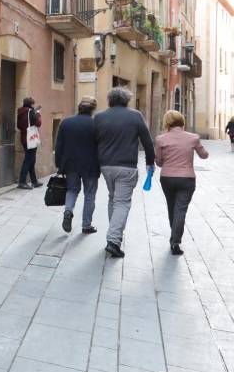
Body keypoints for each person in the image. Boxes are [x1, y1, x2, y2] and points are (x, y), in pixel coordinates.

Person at [94, 87, 155, 258]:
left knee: (113, 199)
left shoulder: (99, 117)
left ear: (110, 100)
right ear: (126, 100)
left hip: (106, 166)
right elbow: (147, 142)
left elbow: (94, 141)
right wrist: (150, 162)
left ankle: (114, 234)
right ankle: (113, 240)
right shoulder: (135, 115)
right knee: (122, 202)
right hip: (127, 167)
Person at [155, 110, 209, 255]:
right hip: (187, 178)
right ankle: (175, 242)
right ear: (182, 121)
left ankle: (174, 236)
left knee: (172, 208)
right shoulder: (193, 138)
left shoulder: (161, 139)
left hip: (167, 177)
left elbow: (159, 162)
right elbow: (204, 155)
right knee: (181, 210)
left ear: (167, 123)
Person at [54, 96, 100, 234]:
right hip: (91, 165)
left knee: (72, 190)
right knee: (90, 194)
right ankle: (86, 225)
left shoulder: (66, 123)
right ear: (93, 109)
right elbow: (100, 147)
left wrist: (59, 164)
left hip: (70, 164)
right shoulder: (96, 125)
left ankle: (68, 211)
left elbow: (59, 145)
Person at [16, 97, 43, 189]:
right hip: (30, 139)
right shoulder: (31, 112)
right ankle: (22, 182)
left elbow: (19, 126)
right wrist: (38, 114)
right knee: (29, 160)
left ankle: (34, 181)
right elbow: (38, 123)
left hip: (24, 138)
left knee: (31, 159)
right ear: (31, 104)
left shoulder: (20, 112)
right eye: (32, 104)